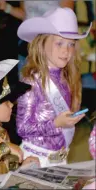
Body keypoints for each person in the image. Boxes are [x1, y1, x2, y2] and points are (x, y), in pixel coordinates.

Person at [16, 8, 92, 168]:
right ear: (42, 44)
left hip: (60, 157)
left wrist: (68, 120)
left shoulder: (66, 78)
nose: (66, 50)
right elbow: (22, 128)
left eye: (71, 44)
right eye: (59, 43)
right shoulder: (31, 80)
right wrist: (56, 123)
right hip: (35, 158)